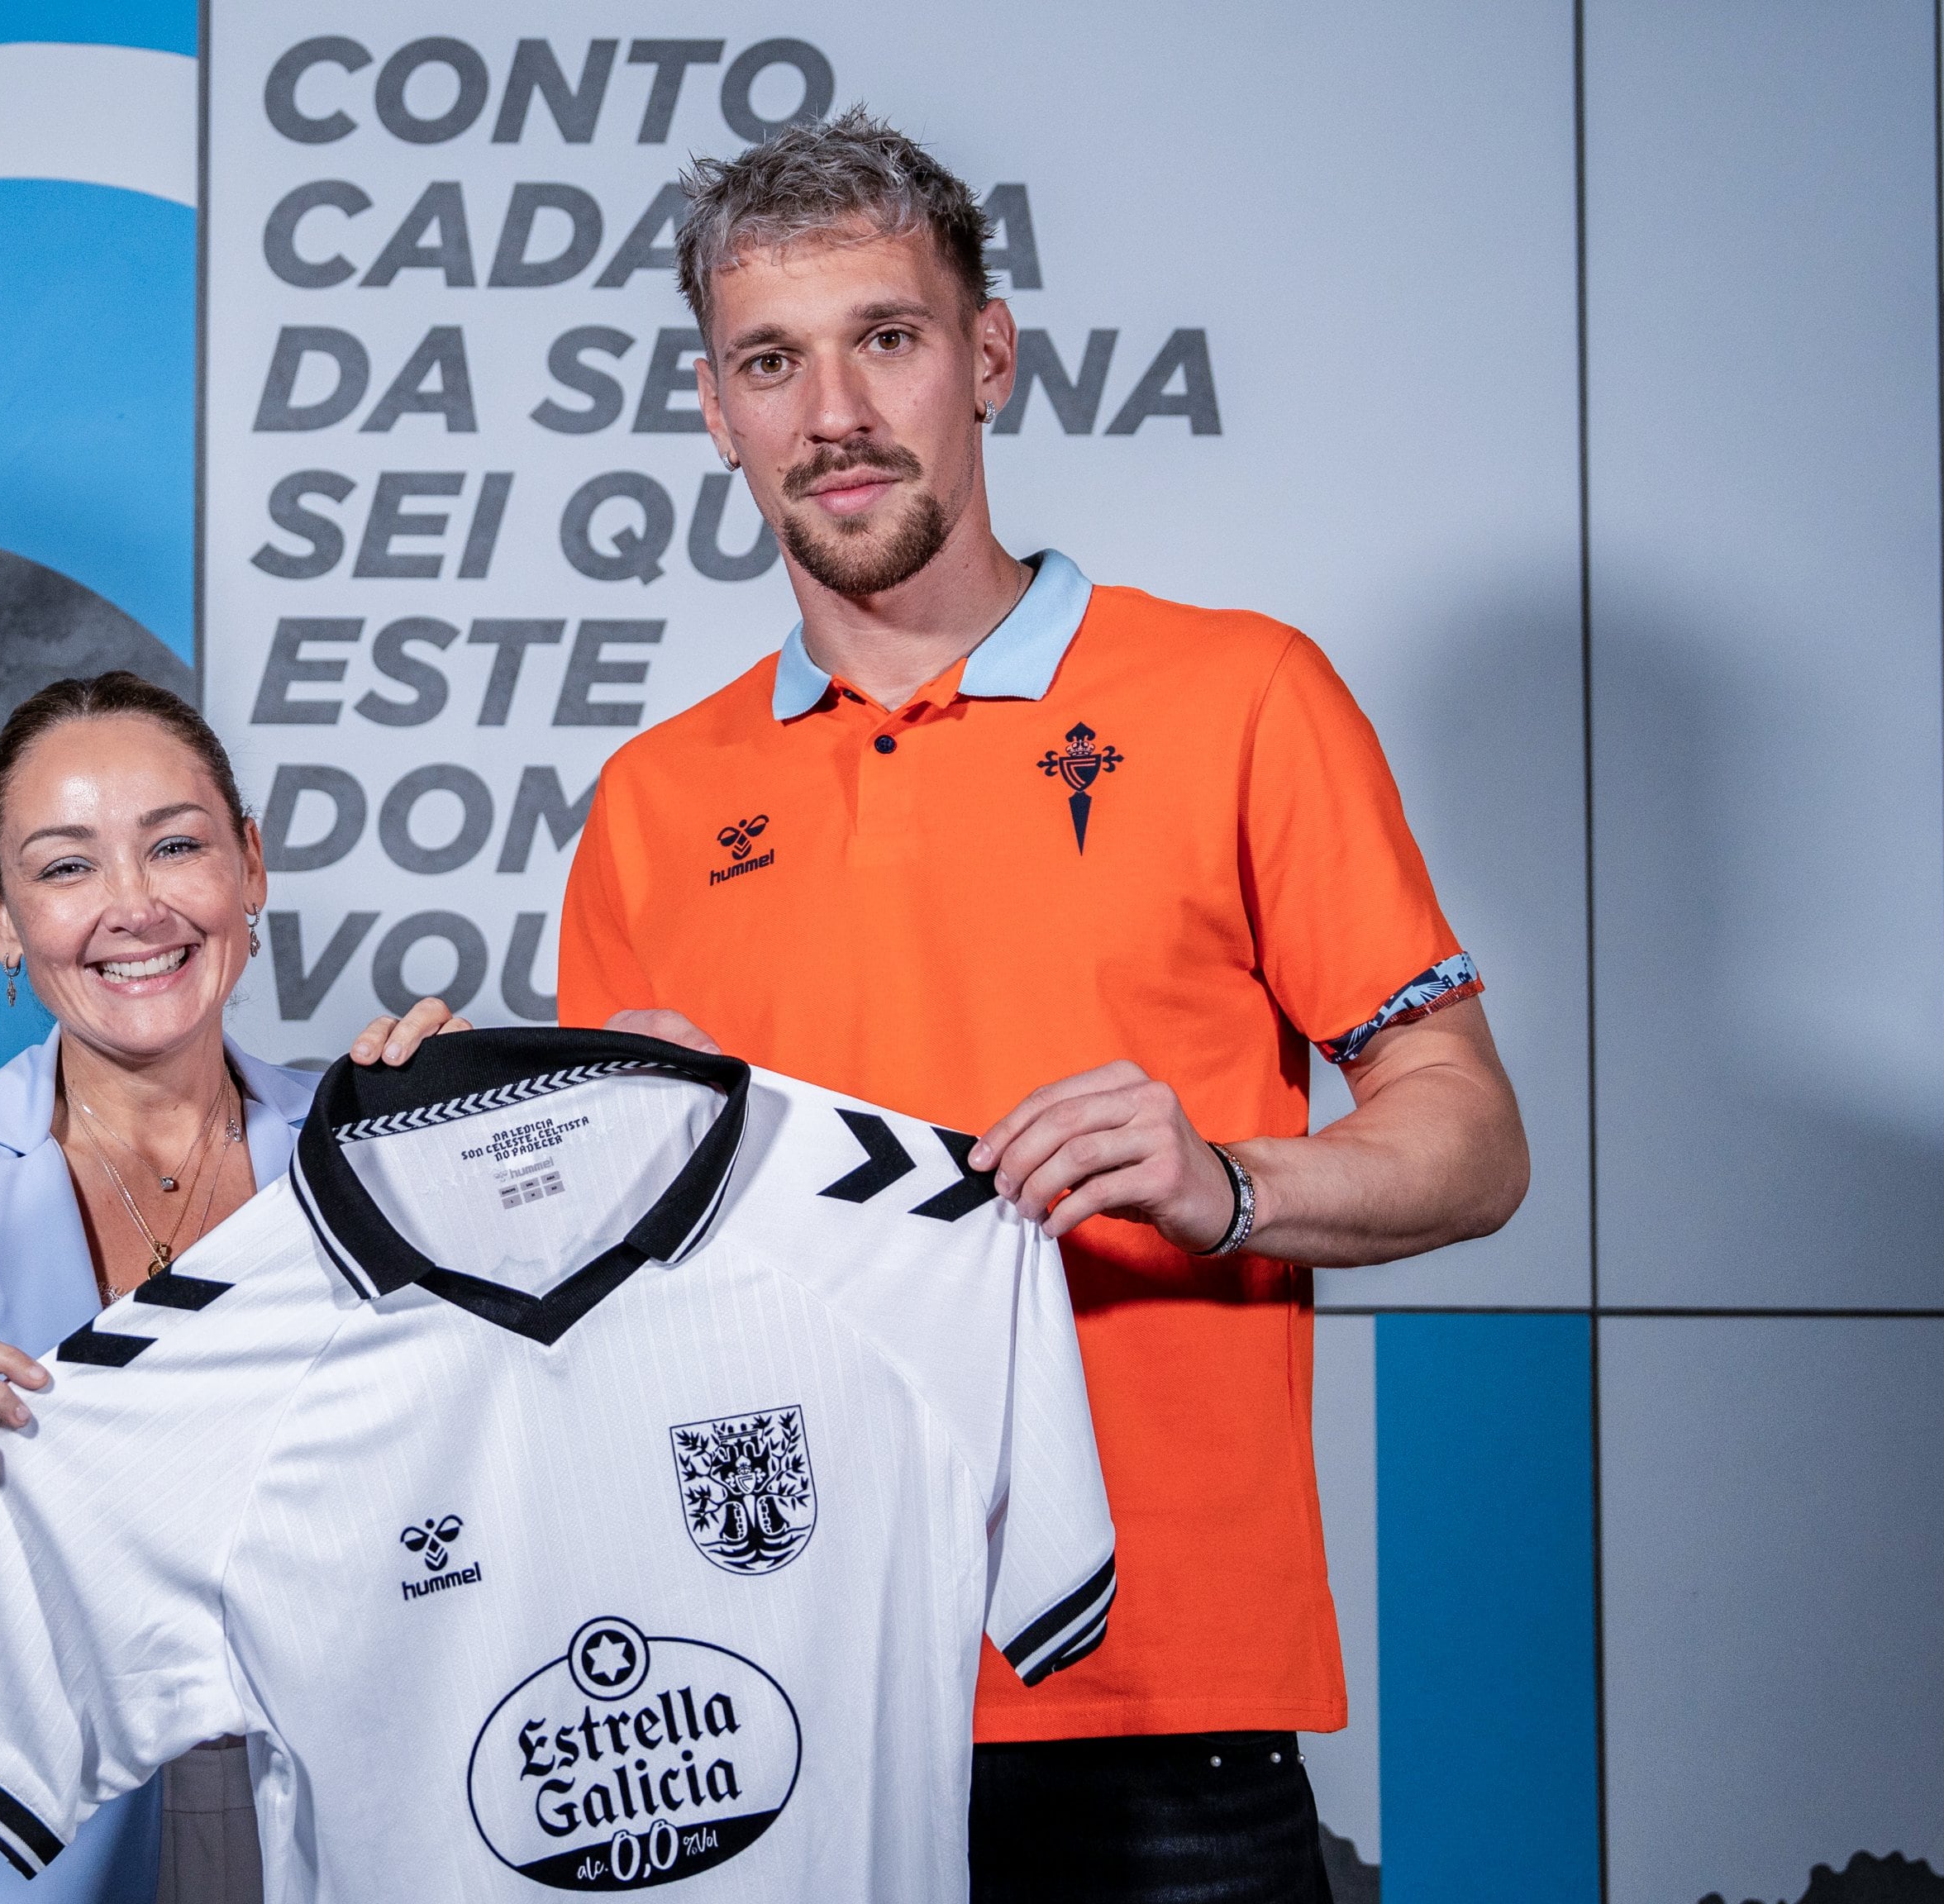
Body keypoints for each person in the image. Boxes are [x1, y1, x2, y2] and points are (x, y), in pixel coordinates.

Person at [553, 113, 1531, 1903]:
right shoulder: (646, 803)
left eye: (886, 338)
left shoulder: (1240, 694)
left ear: (984, 358)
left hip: (1149, 1715)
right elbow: (596, 1315)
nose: (832, 410)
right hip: (761, 1698)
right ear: (715, 408)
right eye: (772, 360)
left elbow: (1467, 1134)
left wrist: (1224, 1181)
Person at [0, 671, 460, 1904]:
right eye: (68, 867)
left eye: (178, 847)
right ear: (0, 917)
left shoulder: (379, 1148)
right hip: (1, 1853)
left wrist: (486, 1142)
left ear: (250, 866)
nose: (134, 909)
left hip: (335, 1832)